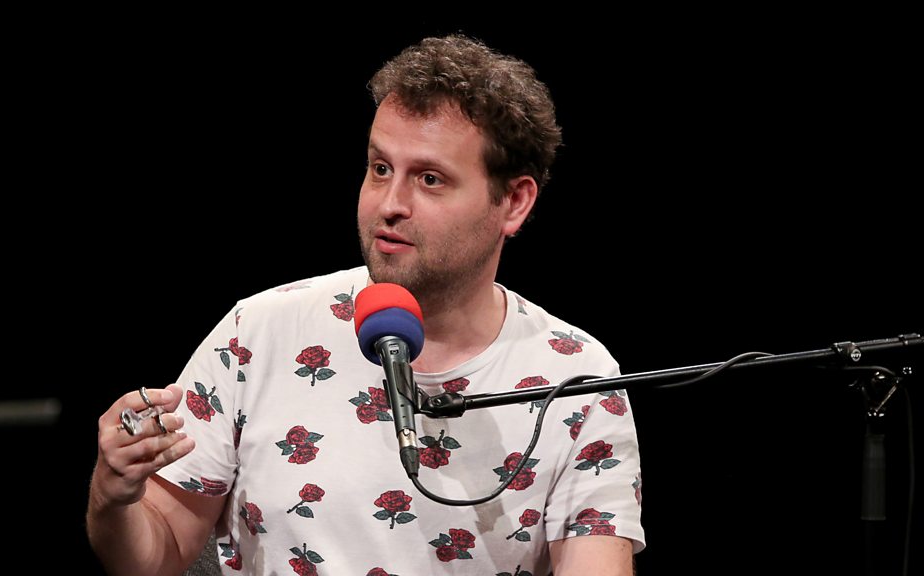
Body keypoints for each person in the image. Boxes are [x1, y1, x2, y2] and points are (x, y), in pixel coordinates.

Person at [87, 34, 644, 575]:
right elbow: (155, 556)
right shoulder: (258, 334)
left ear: (514, 202)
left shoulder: (577, 377)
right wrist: (113, 497)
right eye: (380, 168)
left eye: (430, 179)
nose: (390, 203)